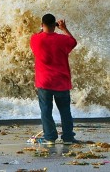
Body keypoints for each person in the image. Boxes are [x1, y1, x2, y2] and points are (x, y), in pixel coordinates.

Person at [30, 13, 79, 145]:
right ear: (54, 26)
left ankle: (50, 138)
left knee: (46, 111)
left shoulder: (35, 39)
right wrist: (63, 28)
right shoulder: (63, 40)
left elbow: (38, 34)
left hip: (44, 82)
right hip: (61, 82)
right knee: (65, 111)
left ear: (42, 25)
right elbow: (73, 41)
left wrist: (43, 29)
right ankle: (68, 137)